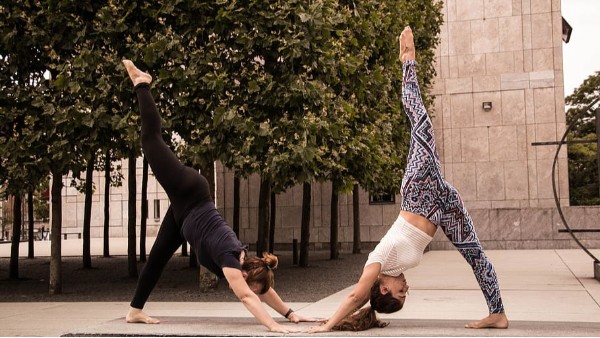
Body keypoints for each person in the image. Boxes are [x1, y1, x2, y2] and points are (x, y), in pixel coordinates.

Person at [307, 26, 509, 333]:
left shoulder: (378, 261)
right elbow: (366, 303)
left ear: (384, 288)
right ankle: (498, 313)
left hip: (419, 191)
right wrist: (355, 317)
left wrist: (328, 325)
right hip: (443, 204)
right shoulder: (394, 271)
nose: (407, 288)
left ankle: (407, 61)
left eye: (401, 292)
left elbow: (357, 295)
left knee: (422, 123)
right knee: (476, 255)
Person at [122, 59, 315, 333]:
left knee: (156, 258)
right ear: (245, 274)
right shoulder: (230, 260)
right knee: (151, 140)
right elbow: (248, 295)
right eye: (251, 284)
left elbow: (260, 289)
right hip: (188, 192)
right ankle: (142, 83)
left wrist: (291, 314)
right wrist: (274, 326)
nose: (254, 291)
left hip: (185, 215)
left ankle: (134, 311)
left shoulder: (246, 264)